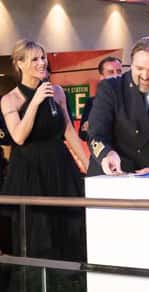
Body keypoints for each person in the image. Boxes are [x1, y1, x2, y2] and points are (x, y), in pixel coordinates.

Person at [0, 39, 88, 291]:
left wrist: (91, 168)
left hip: (61, 169)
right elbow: (18, 136)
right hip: (30, 174)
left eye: (42, 57)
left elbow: (69, 132)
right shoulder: (10, 99)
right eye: (34, 59)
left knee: (69, 230)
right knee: (38, 236)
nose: (41, 63)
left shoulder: (56, 92)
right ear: (19, 64)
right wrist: (35, 101)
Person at [87, 36, 149, 176]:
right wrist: (106, 154)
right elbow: (95, 135)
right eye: (139, 68)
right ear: (131, 65)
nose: (145, 76)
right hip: (115, 174)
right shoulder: (110, 88)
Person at [78, 56, 122, 141]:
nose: (116, 75)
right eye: (111, 72)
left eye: (119, 71)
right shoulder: (92, 102)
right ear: (102, 77)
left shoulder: (132, 100)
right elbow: (83, 134)